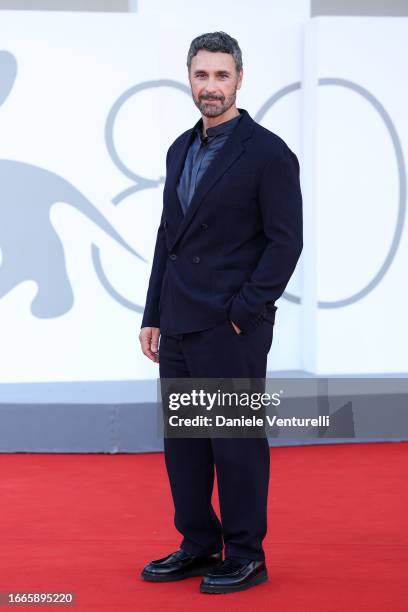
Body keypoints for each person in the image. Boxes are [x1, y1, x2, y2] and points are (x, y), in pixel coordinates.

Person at [139, 31, 303, 595]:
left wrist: (244, 312)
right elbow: (169, 239)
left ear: (240, 78)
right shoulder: (179, 149)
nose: (211, 86)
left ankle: (246, 553)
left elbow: (286, 243)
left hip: (231, 328)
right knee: (184, 445)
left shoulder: (268, 153)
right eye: (201, 75)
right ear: (189, 77)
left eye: (221, 76)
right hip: (179, 323)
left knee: (234, 445)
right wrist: (152, 313)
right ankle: (199, 544)